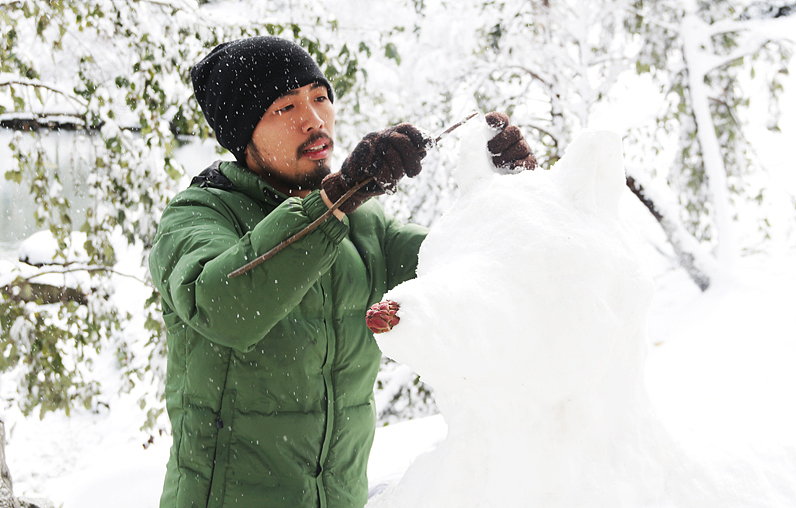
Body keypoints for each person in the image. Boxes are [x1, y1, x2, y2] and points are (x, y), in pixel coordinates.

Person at [148, 36, 536, 508]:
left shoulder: (364, 226)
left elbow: (474, 270)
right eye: (285, 107)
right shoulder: (198, 217)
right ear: (243, 134)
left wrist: (516, 194)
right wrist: (335, 199)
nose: (314, 120)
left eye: (319, 97)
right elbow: (226, 308)